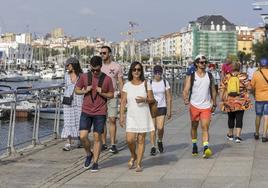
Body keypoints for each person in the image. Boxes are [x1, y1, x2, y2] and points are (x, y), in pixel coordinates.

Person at [75, 56, 114, 172]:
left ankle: (96, 162)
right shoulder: (84, 77)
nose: (95, 72)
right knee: (82, 136)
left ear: (101, 67)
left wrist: (102, 93)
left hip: (100, 112)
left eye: (97, 70)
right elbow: (76, 90)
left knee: (97, 137)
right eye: (93, 70)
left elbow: (111, 95)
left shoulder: (107, 79)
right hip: (86, 111)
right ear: (90, 67)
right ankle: (88, 154)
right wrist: (84, 91)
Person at [120, 61, 155, 172]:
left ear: (141, 71)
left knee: (141, 140)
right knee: (129, 140)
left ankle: (139, 163)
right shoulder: (127, 85)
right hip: (131, 116)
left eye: (139, 69)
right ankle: (133, 155)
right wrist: (121, 115)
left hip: (143, 115)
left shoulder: (146, 84)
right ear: (131, 71)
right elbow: (123, 102)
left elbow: (152, 99)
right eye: (134, 69)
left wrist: (144, 100)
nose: (136, 72)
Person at [183, 54, 217, 158]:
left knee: (205, 127)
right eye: (202, 62)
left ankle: (206, 147)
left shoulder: (210, 76)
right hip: (194, 105)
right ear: (197, 63)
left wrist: (214, 102)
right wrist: (185, 98)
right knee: (194, 126)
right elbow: (186, 90)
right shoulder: (192, 76)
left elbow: (213, 90)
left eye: (205, 62)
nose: (204, 64)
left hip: (206, 106)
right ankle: (194, 145)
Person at [220, 62, 252, 143]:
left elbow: (222, 87)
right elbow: (249, 87)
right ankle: (238, 136)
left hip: (229, 101)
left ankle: (230, 135)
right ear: (239, 68)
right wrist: (247, 94)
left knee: (230, 118)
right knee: (239, 118)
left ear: (231, 68)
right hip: (241, 102)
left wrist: (222, 98)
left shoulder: (227, 77)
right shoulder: (243, 77)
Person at [100, 46, 124, 154]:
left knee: (112, 119)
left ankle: (113, 144)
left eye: (104, 53)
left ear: (109, 53)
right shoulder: (99, 66)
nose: (102, 55)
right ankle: (104, 143)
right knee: (101, 121)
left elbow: (120, 82)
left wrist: (124, 95)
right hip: (100, 97)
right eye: (101, 53)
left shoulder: (117, 66)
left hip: (113, 96)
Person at [149, 65, 172, 155]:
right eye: (156, 73)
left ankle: (160, 140)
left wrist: (169, 110)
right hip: (152, 107)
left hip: (162, 106)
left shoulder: (165, 82)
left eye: (159, 73)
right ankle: (153, 146)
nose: (157, 75)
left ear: (161, 73)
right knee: (152, 128)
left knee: (160, 127)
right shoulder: (150, 82)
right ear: (153, 73)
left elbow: (169, 97)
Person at [62, 57, 83, 151]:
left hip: (79, 100)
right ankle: (68, 142)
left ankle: (79, 139)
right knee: (67, 121)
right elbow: (66, 86)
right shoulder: (66, 75)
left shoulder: (82, 75)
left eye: (68, 65)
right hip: (68, 100)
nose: (67, 67)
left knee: (79, 120)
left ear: (73, 65)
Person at [251, 58, 268, 142]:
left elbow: (252, 86)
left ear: (260, 65)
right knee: (266, 116)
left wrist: (254, 94)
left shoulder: (256, 74)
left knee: (258, 116)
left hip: (258, 98)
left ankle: (257, 133)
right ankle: (264, 135)